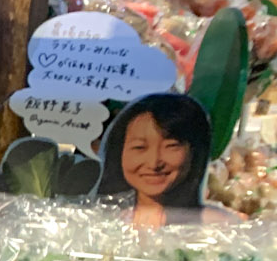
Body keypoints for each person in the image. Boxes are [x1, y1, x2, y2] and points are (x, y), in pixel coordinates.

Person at [91, 92, 236, 226]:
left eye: (171, 146)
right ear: (119, 152)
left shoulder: (218, 226)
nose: (154, 163)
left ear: (195, 152)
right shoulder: (98, 222)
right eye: (139, 147)